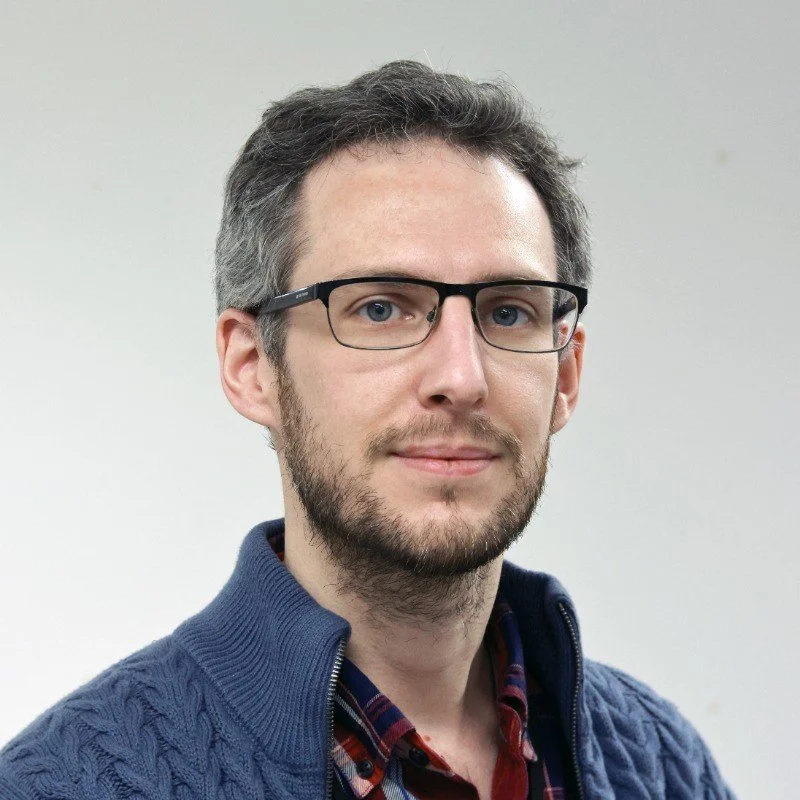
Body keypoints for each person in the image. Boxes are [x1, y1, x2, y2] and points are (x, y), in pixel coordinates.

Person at [0, 60, 736, 800]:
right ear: (253, 366)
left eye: (509, 311)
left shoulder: (665, 765)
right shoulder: (66, 784)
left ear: (566, 377)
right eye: (380, 308)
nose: (462, 376)